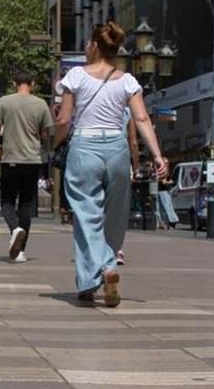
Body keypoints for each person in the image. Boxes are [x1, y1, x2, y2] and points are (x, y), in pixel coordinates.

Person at [54, 22, 168, 307]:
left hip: (84, 147)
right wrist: (157, 155)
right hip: (116, 149)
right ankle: (88, 283)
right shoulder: (128, 80)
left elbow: (63, 120)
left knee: (86, 215)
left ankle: (106, 267)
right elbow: (142, 119)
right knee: (115, 214)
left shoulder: (76, 76)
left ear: (94, 45)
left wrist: (54, 143)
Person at [0, 70, 52, 262]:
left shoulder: (4, 102)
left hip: (10, 159)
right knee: (26, 204)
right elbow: (45, 134)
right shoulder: (41, 104)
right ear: (32, 83)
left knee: (7, 201)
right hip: (32, 160)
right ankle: (22, 251)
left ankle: (14, 229)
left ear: (14, 83)